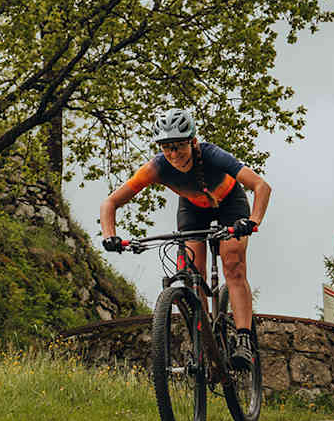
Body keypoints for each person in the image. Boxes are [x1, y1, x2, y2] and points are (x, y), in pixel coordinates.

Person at [99, 107, 272, 370]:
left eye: (179, 146)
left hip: (230, 204)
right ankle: (202, 341)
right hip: (193, 209)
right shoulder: (156, 167)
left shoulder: (213, 155)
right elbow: (110, 202)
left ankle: (244, 339)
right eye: (166, 148)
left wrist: (253, 221)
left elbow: (261, 186)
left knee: (233, 265)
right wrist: (110, 235)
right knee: (191, 273)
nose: (173, 154)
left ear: (192, 141)